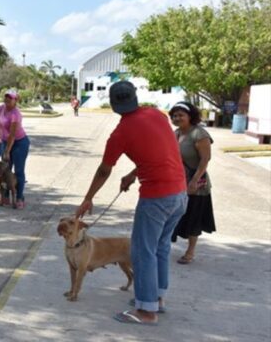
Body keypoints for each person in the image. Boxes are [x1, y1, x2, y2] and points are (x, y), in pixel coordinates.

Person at [75, 80, 186, 326]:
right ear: (135, 97)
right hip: (180, 194)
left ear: (113, 104)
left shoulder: (120, 133)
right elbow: (160, 151)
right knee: (161, 247)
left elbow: (104, 170)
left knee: (142, 251)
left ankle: (146, 312)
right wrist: (134, 173)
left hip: (156, 198)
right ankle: (156, 299)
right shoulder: (156, 115)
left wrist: (88, 198)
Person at [169, 101, 216, 265]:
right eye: (174, 115)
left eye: (181, 115)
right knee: (174, 215)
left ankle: (190, 251)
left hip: (197, 183)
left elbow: (205, 160)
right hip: (178, 182)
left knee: (193, 217)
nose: (177, 118)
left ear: (190, 116)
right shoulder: (175, 134)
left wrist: (194, 181)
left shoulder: (199, 134)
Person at [0, 89, 30, 209]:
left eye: (10, 98)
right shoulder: (1, 108)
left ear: (15, 100)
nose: (7, 99)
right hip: (5, 142)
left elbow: (12, 134)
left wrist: (7, 151)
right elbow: (0, 125)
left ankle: (19, 197)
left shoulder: (16, 114)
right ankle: (4, 197)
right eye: (6, 97)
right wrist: (0, 141)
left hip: (19, 143)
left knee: (18, 171)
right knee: (4, 170)